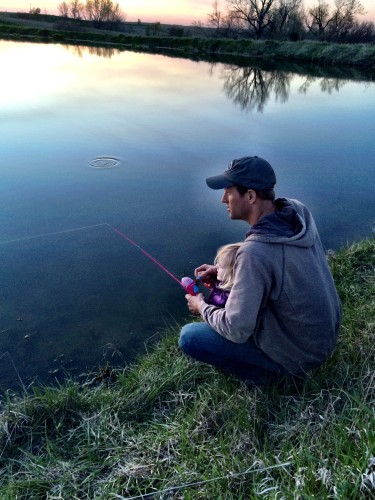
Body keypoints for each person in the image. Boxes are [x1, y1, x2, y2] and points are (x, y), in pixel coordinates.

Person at [179, 156, 342, 386]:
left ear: (251, 196)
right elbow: (271, 261)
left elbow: (236, 329)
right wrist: (224, 270)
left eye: (228, 192)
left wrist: (201, 307)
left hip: (299, 358)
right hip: (324, 339)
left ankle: (268, 377)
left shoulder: (254, 254)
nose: (223, 199)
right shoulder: (297, 212)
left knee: (189, 338)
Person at [205, 243, 242, 308]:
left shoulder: (225, 300)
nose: (216, 266)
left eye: (221, 266)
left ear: (232, 274)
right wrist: (212, 286)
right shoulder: (224, 281)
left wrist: (201, 305)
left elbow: (215, 311)